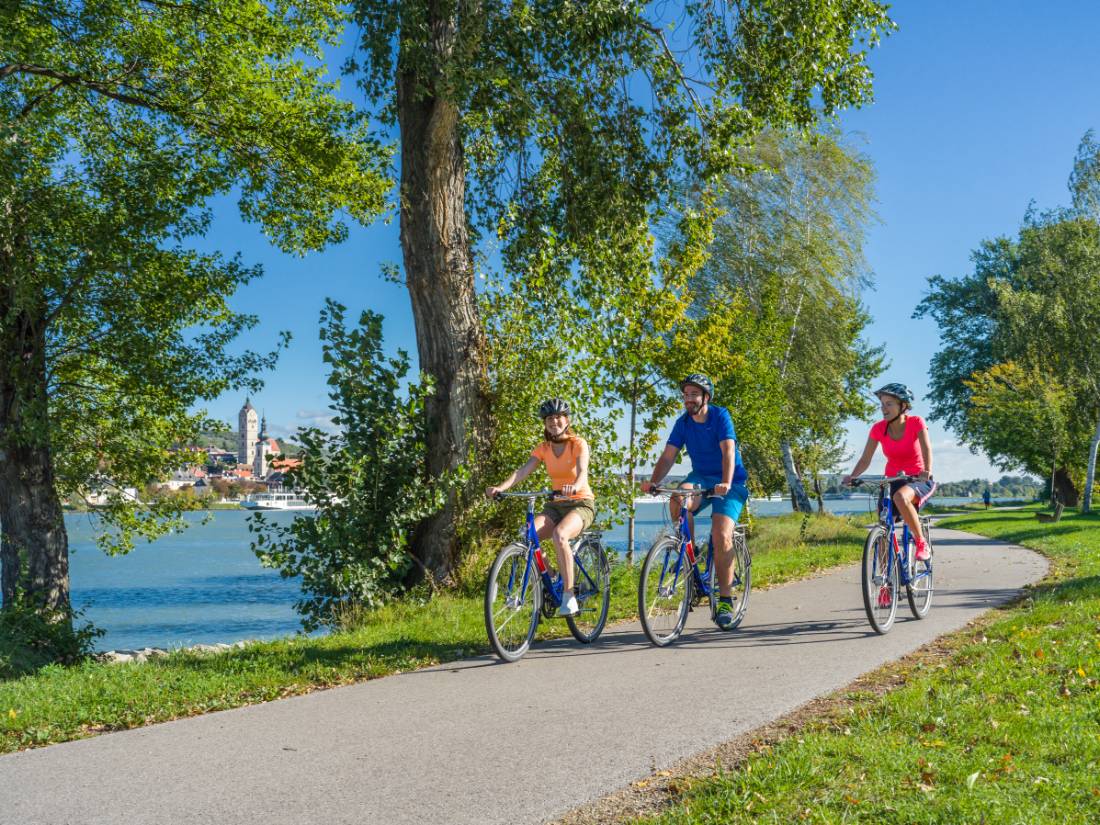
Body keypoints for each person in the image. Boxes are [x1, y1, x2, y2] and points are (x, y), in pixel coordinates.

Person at [641, 374, 749, 630]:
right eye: (685, 395)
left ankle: (724, 599)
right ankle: (688, 553)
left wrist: (725, 481)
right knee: (678, 498)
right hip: (700, 477)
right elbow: (668, 456)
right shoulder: (683, 423)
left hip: (730, 481)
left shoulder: (720, 416)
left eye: (693, 395)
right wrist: (654, 482)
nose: (688, 399)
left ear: (705, 397)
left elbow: (728, 451)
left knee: (721, 534)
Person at [486, 398, 595, 617]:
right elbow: (523, 471)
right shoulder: (543, 448)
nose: (554, 422)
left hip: (581, 502)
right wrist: (500, 487)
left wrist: (574, 487)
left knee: (560, 535)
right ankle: (553, 576)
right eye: (549, 419)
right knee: (527, 534)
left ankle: (569, 595)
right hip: (555, 504)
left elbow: (583, 471)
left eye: (558, 417)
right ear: (544, 423)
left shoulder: (577, 444)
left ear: (567, 420)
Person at [842, 382, 936, 575]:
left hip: (917, 479)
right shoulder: (878, 429)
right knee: (884, 528)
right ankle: (884, 583)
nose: (883, 408)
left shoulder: (916, 422)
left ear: (903, 406)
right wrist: (853, 476)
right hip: (892, 480)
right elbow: (865, 459)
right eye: (882, 404)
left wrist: (927, 470)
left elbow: (927, 448)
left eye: (889, 404)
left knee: (900, 498)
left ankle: (921, 542)